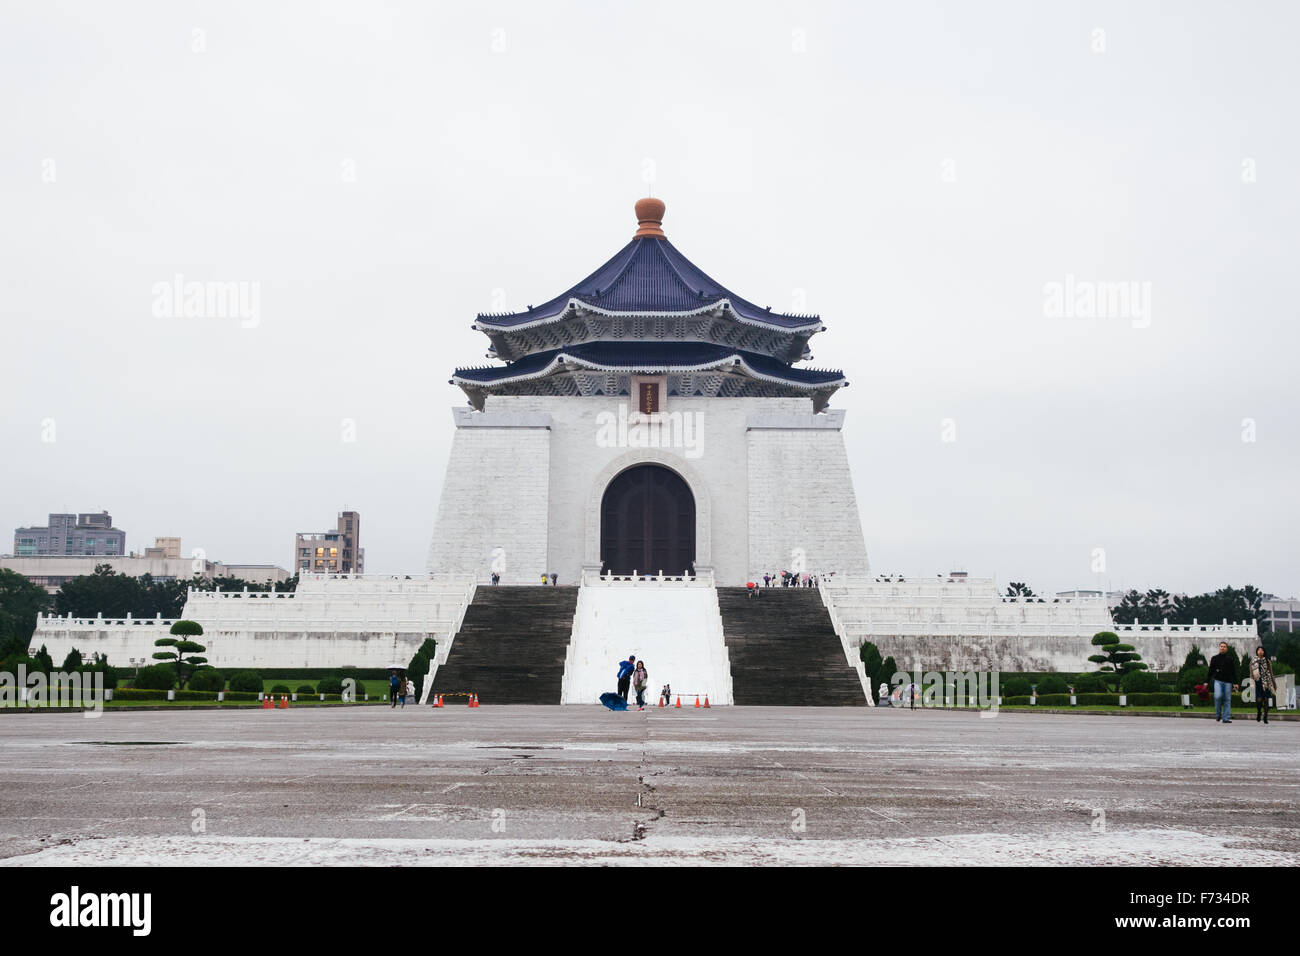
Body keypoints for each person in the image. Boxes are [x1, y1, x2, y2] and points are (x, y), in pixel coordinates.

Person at [1206, 641, 1238, 723]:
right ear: (1219, 648)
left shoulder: (1230, 659)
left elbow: (1233, 672)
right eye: (1221, 646)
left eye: (1224, 646)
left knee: (1227, 699)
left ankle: (1226, 718)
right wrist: (1206, 681)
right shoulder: (1214, 658)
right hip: (1218, 681)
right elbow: (1210, 671)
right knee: (1217, 696)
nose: (1222, 648)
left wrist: (1235, 683)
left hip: (1228, 682)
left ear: (1226, 648)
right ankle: (1218, 714)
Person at [1250, 646, 1276, 724]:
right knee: (1259, 700)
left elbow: (1271, 673)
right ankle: (1259, 712)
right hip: (1258, 682)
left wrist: (1274, 683)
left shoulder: (1267, 661)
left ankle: (1265, 716)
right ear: (1257, 652)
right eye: (1259, 650)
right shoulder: (1253, 661)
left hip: (1267, 682)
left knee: (1266, 699)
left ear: (1264, 652)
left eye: (1262, 650)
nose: (1260, 651)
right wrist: (1251, 682)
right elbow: (1251, 673)